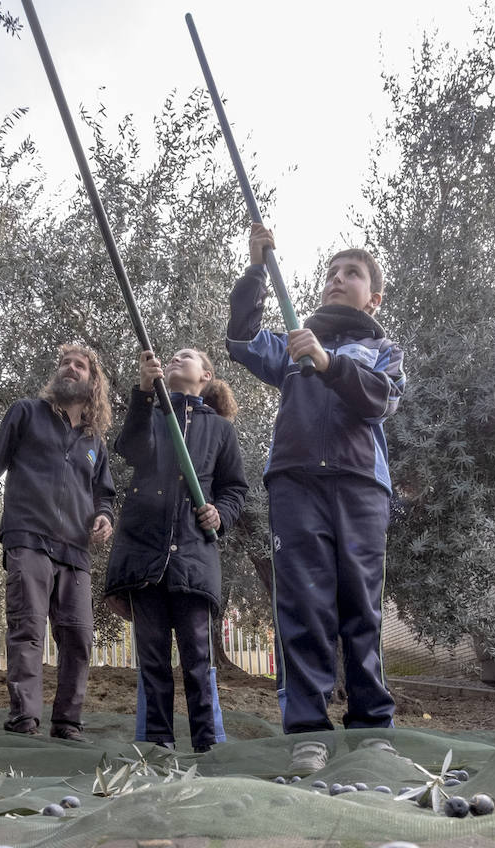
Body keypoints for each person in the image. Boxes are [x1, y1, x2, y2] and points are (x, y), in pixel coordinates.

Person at [226, 224, 405, 756]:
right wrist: (256, 270)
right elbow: (239, 339)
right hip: (295, 483)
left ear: (373, 296)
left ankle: (372, 729)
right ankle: (307, 731)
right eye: (330, 273)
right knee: (303, 606)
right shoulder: (292, 343)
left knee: (361, 608)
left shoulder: (383, 350)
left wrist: (330, 365)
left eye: (351, 273)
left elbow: (380, 401)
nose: (336, 279)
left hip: (360, 487)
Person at [0, 343, 115, 738]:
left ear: (93, 382)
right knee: (28, 629)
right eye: (65, 363)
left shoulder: (95, 443)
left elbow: (103, 495)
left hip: (75, 551)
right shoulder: (26, 413)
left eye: (80, 365)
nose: (70, 369)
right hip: (27, 537)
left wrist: (106, 517)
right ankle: (24, 718)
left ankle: (67, 722)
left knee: (78, 636)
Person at [104, 347, 249, 752]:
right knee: (152, 660)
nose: (175, 358)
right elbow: (130, 449)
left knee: (198, 661)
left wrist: (221, 514)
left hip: (194, 560)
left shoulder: (220, 430)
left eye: (187, 356)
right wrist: (143, 392)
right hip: (145, 556)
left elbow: (235, 489)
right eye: (172, 356)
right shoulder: (150, 416)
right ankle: (157, 747)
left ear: (205, 375)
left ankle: (208, 747)